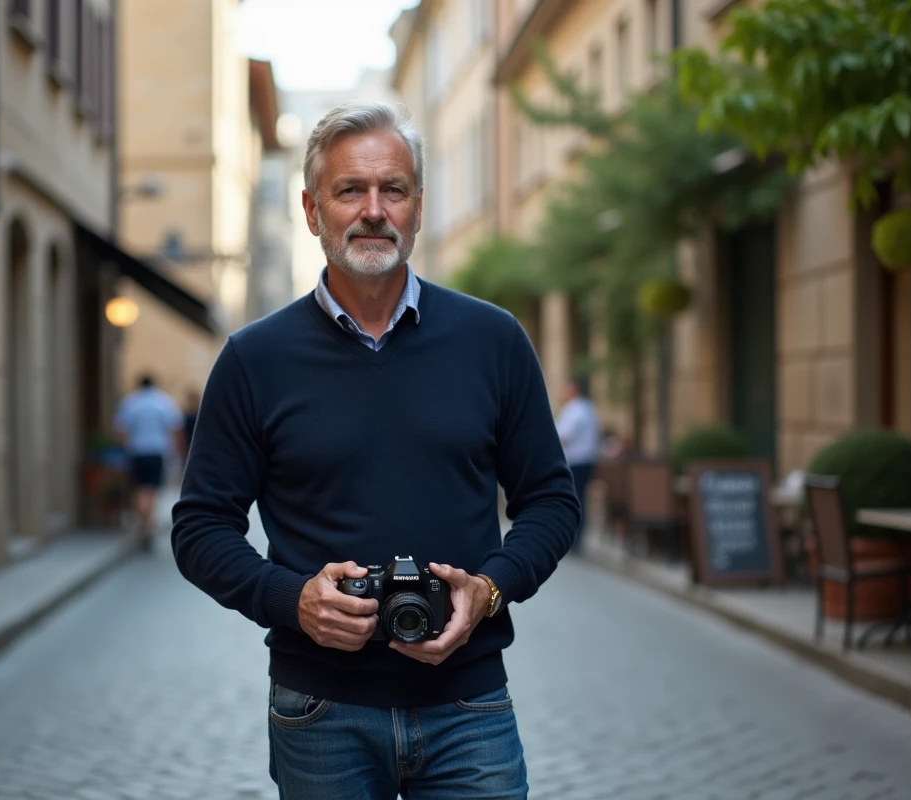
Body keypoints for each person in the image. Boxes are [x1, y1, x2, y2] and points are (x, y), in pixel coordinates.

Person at [172, 101, 579, 800]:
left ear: (418, 207)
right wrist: (293, 598)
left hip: (468, 704)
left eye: (393, 189)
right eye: (349, 190)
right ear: (311, 210)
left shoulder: (493, 340)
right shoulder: (254, 359)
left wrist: (489, 590)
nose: (373, 211)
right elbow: (200, 528)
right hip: (319, 711)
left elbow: (551, 501)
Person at [114, 375, 185, 550]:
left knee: (140, 489)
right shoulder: (163, 402)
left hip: (137, 452)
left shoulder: (130, 402)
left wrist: (126, 448)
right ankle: (147, 526)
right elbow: (175, 429)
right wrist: (178, 454)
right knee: (150, 490)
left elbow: (121, 430)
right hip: (157, 452)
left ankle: (145, 524)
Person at [556, 375, 602, 554]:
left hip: (576, 461)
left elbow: (564, 436)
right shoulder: (587, 408)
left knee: (573, 500)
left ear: (573, 390)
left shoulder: (576, 410)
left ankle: (573, 539)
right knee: (579, 499)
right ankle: (575, 538)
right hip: (584, 461)